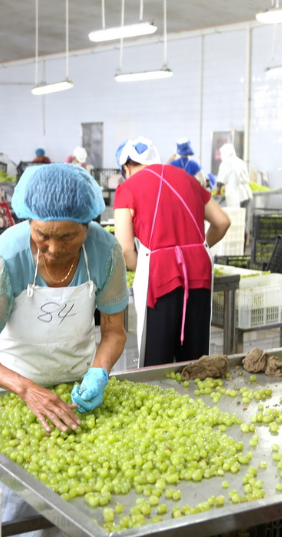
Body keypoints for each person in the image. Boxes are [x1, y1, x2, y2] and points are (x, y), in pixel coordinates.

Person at [0, 163, 128, 537]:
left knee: (86, 491)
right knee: (23, 502)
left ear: (89, 224)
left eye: (67, 236)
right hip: (13, 387)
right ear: (28, 223)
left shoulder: (106, 253)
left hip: (75, 393)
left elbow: (113, 331)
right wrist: (26, 390)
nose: (52, 248)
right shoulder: (11, 254)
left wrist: (99, 372)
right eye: (42, 235)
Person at [114, 136, 231, 367]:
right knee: (196, 363)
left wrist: (144, 267)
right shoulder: (188, 179)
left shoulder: (127, 189)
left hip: (159, 277)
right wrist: (198, 248)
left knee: (157, 363)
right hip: (200, 273)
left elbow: (125, 249)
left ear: (127, 167)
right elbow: (222, 222)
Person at [216, 142, 253, 209]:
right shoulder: (241, 161)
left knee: (235, 216)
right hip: (247, 194)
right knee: (243, 217)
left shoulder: (225, 163)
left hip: (236, 195)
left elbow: (220, 181)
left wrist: (218, 192)